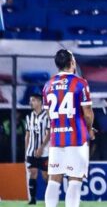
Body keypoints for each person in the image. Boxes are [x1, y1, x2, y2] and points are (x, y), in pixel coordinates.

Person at [42, 49, 95, 207]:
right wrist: (90, 129)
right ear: (72, 63)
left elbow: (48, 113)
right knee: (75, 179)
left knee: (54, 178)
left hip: (57, 139)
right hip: (77, 138)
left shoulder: (48, 85)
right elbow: (87, 113)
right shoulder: (80, 83)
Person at [25, 93, 50, 205]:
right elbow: (27, 135)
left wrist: (41, 147)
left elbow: (48, 133)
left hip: (44, 151)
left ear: (40, 102)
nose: (31, 102)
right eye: (31, 100)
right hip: (31, 151)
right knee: (32, 173)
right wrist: (26, 151)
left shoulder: (46, 116)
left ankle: (50, 198)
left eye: (34, 100)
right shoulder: (28, 117)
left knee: (45, 175)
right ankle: (33, 199)